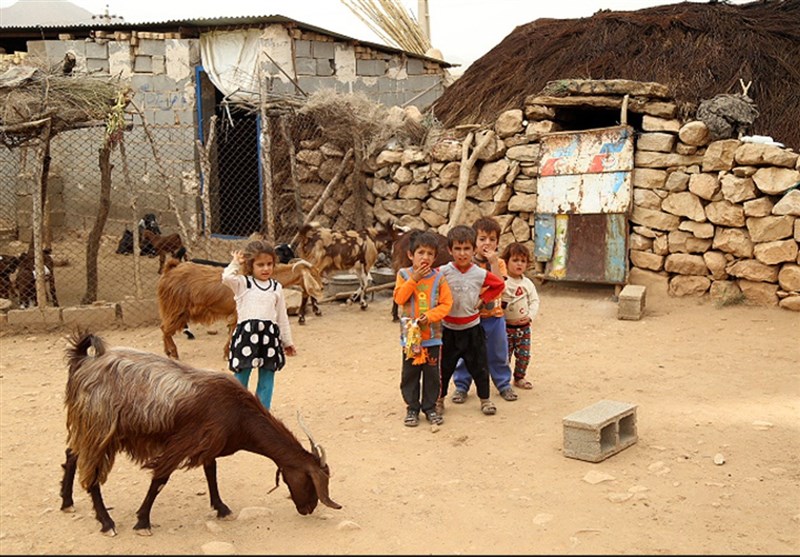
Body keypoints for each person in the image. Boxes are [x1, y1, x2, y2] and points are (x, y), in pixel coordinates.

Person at [437, 225, 505, 417]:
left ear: (474, 249)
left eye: (467, 248)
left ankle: (485, 400)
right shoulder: (443, 272)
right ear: (450, 250)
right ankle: (439, 400)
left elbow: (499, 284)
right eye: (457, 249)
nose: (462, 253)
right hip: (448, 329)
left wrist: (484, 300)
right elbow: (428, 284)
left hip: (472, 329)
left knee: (480, 366)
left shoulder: (479, 273)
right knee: (444, 368)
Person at [222, 240, 297, 410]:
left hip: (269, 338)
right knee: (241, 376)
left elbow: (281, 317)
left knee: (267, 377)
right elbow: (226, 277)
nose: (266, 269)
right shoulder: (243, 284)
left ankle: (263, 414)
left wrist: (287, 341)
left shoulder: (276, 287)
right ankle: (235, 412)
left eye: (269, 264)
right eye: (260, 264)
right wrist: (235, 263)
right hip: (247, 337)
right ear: (251, 265)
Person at [451, 216, 518, 405]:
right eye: (482, 239)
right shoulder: (466, 263)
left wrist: (494, 262)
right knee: (466, 353)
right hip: (470, 318)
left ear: (497, 242)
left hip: (495, 317)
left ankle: (503, 384)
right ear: (474, 241)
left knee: (498, 352)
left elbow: (499, 284)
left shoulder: (499, 263)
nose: (487, 243)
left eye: (492, 239)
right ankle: (461, 386)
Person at [393, 230, 453, 427]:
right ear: (411, 255)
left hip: (432, 336)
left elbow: (446, 304)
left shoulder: (439, 278)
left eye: (429, 254)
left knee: (432, 373)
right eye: (421, 253)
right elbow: (399, 298)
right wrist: (414, 279)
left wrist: (430, 316)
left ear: (435, 257)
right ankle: (412, 407)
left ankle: (430, 407)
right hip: (411, 338)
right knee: (410, 372)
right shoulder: (404, 275)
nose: (425, 257)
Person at [500, 242, 540, 390]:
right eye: (515, 260)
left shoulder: (528, 284)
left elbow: (534, 301)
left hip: (524, 328)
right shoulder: (502, 282)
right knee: (504, 356)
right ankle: (503, 381)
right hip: (505, 327)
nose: (519, 264)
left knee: (523, 355)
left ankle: (519, 378)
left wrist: (530, 316)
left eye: (523, 261)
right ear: (506, 261)